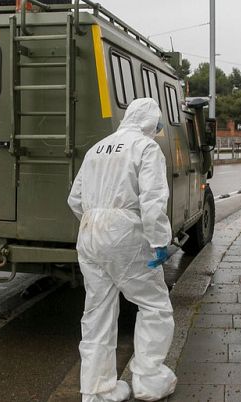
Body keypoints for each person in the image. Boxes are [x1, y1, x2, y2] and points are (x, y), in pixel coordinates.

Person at [67, 98, 176, 402]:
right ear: (150, 121)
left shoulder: (96, 149)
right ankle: (149, 382)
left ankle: (97, 391)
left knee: (97, 313)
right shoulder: (146, 147)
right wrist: (159, 241)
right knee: (154, 305)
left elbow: (74, 199)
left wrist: (96, 221)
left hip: (89, 233)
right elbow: (152, 200)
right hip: (125, 233)